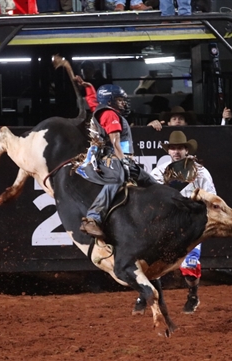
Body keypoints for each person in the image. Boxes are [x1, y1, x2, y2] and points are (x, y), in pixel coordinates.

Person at [133, 130, 216, 315]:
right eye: (173, 148)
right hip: (165, 226)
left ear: (187, 150)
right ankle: (143, 293)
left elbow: (212, 198)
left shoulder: (200, 172)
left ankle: (193, 293)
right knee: (147, 262)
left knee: (189, 266)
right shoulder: (160, 171)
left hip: (190, 227)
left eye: (180, 148)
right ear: (168, 151)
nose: (176, 151)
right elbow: (148, 196)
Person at [74, 76, 157, 239]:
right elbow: (115, 142)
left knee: (149, 181)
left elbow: (93, 102)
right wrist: (123, 162)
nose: (124, 103)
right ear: (110, 101)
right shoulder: (111, 116)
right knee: (117, 179)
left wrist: (89, 87)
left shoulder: (102, 109)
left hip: (112, 157)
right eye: (120, 100)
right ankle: (93, 217)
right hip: (113, 158)